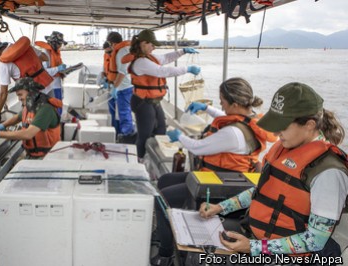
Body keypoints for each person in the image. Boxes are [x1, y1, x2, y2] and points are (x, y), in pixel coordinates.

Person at [197, 82, 347, 265]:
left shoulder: (328, 173)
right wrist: (221, 208)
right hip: (256, 237)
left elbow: (315, 241)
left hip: (289, 257)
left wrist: (253, 248)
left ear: (309, 125)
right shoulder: (283, 147)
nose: (276, 132)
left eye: (282, 126)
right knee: (200, 247)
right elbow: (261, 191)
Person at [151, 77, 276, 266]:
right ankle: (165, 230)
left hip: (220, 185)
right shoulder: (248, 119)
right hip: (217, 176)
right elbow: (229, 119)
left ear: (234, 103)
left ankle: (166, 254)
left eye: (222, 101)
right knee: (165, 180)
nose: (220, 104)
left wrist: (179, 137)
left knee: (161, 198)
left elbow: (198, 148)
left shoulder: (233, 134)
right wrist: (206, 108)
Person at [126, 29, 201, 159]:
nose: (153, 48)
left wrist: (182, 51)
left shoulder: (150, 57)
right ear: (143, 43)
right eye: (151, 45)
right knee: (145, 134)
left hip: (154, 101)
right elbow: (162, 71)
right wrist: (187, 69)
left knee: (161, 130)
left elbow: (165, 58)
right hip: (143, 102)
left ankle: (153, 159)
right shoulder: (140, 62)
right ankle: (139, 161)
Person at [0, 36, 62, 125]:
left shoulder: (5, 64)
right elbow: (45, 57)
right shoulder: (26, 47)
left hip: (35, 95)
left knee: (35, 125)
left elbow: (3, 93)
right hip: (48, 85)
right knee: (51, 118)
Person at [0, 77, 62, 159]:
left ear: (31, 92)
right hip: (33, 154)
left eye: (20, 95)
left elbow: (28, 134)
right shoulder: (31, 105)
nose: (19, 98)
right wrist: (2, 126)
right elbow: (18, 117)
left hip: (48, 156)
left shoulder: (45, 109)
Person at [105, 31, 135, 142]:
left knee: (124, 112)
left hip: (125, 88)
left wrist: (115, 87)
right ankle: (118, 133)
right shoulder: (122, 50)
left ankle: (126, 137)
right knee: (119, 112)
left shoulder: (122, 51)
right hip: (123, 86)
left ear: (112, 43)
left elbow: (122, 72)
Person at [35, 31, 68, 115]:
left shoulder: (54, 52)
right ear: (54, 43)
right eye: (59, 44)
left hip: (57, 85)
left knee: (59, 106)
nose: (60, 46)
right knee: (54, 108)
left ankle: (58, 124)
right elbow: (45, 71)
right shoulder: (45, 53)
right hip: (51, 87)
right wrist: (58, 68)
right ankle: (55, 125)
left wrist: (63, 72)